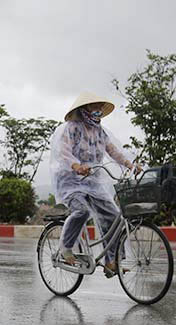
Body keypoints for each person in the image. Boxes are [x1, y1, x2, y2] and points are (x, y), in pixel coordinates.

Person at [50, 92, 142, 277]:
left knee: (114, 217)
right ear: (84, 110)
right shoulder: (72, 128)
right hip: (70, 181)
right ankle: (66, 247)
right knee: (82, 211)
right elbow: (64, 152)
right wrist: (76, 165)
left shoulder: (101, 132)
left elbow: (113, 151)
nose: (97, 112)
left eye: (99, 109)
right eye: (94, 108)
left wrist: (130, 165)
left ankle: (112, 261)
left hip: (93, 181)